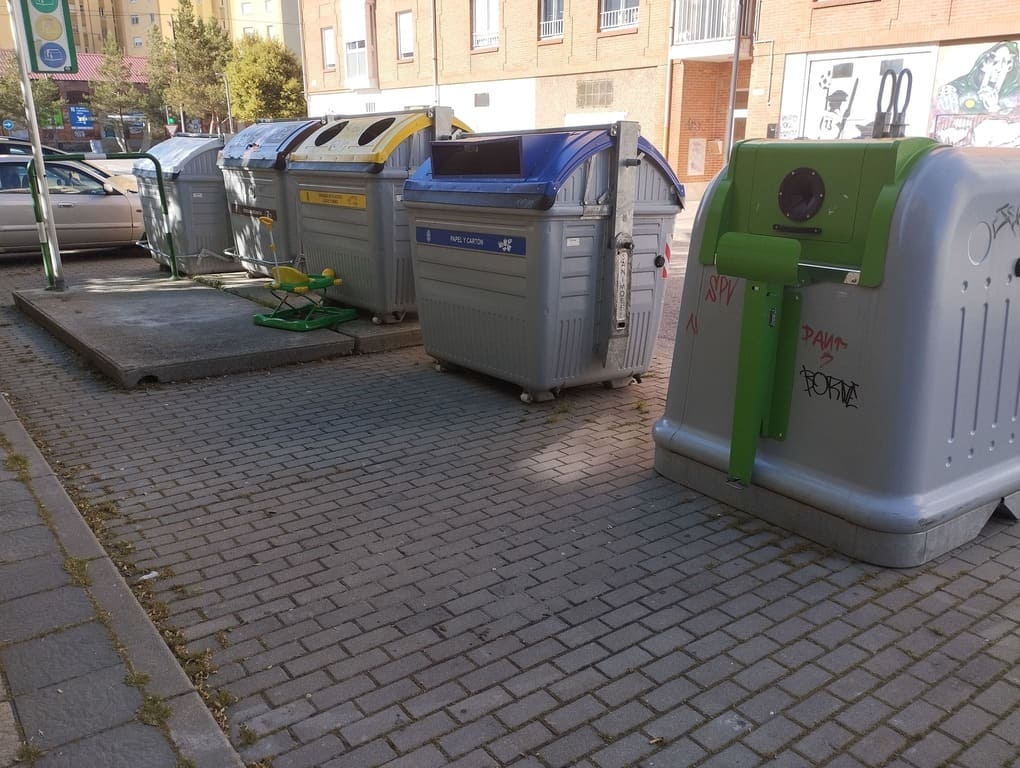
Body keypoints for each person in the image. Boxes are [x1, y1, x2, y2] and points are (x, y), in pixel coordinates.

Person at [936, 41, 1020, 115]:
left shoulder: (1015, 91)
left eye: (1007, 62)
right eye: (995, 61)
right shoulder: (966, 83)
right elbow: (958, 86)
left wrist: (994, 107)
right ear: (983, 63)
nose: (998, 68)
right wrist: (948, 90)